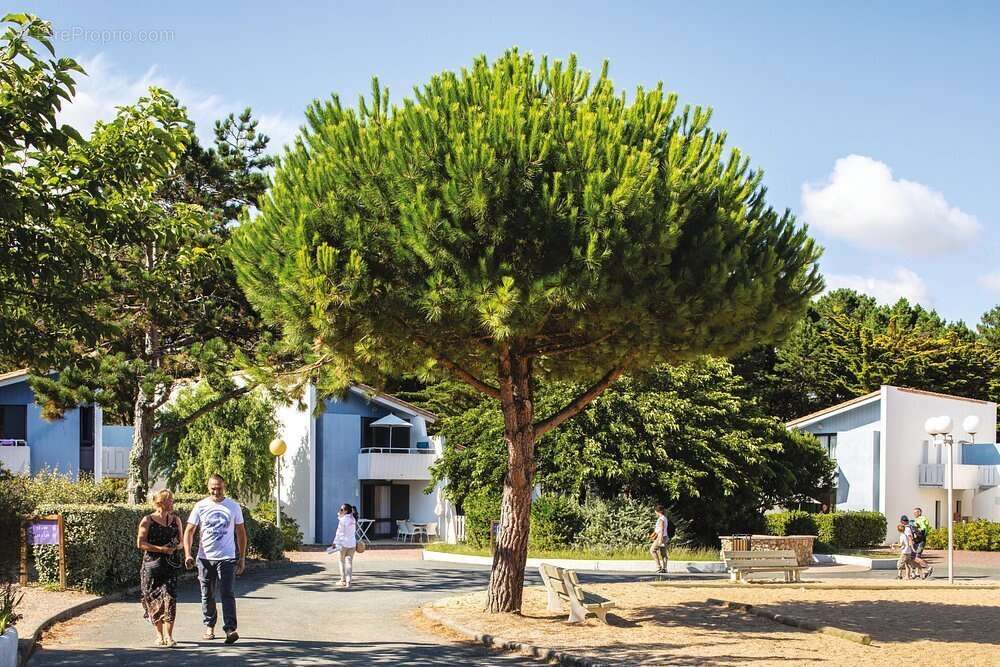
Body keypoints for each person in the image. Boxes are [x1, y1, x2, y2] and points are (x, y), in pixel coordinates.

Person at [183, 474, 247, 644]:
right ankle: (209, 626)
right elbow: (189, 531)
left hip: (227, 558)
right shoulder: (200, 506)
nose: (215, 491)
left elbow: (241, 532)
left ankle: (230, 629)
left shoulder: (233, 506)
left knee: (227, 593)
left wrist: (242, 558)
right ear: (208, 486)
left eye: (219, 487)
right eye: (213, 487)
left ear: (224, 486)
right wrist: (188, 554)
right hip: (204, 558)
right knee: (207, 594)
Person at [137, 489, 183, 647]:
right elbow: (140, 543)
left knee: (170, 598)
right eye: (170, 500)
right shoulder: (148, 520)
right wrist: (161, 549)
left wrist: (175, 547)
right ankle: (159, 635)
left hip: (170, 565)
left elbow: (182, 542)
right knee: (154, 599)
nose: (173, 502)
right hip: (152, 565)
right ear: (160, 502)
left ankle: (169, 636)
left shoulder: (176, 520)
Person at [330, 503, 358, 588]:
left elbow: (339, 532)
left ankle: (343, 580)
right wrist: (340, 515)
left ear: (346, 511)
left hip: (343, 544)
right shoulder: (353, 519)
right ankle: (348, 582)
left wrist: (334, 542)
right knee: (349, 562)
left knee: (341, 561)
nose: (340, 511)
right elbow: (343, 517)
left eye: (342, 510)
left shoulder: (342, 520)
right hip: (352, 544)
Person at [910, 507, 934, 578]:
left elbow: (923, 530)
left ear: (919, 512)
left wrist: (915, 528)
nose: (914, 514)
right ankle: (917, 572)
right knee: (912, 557)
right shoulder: (916, 519)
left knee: (916, 557)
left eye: (916, 512)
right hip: (916, 540)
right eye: (913, 513)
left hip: (921, 540)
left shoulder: (923, 518)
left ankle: (928, 567)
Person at [649, 504, 669, 574]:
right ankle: (665, 568)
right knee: (663, 554)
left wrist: (660, 539)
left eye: (655, 511)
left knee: (652, 550)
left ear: (658, 511)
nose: (655, 512)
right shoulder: (665, 518)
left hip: (661, 537)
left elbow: (661, 529)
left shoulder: (661, 519)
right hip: (665, 537)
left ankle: (658, 567)